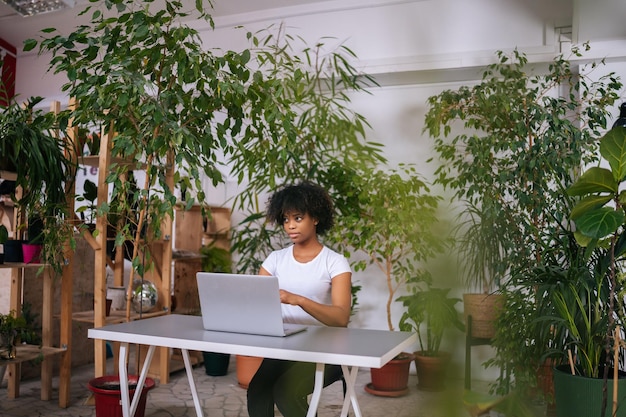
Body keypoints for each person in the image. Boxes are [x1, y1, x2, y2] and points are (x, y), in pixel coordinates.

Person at [246, 181, 353, 417]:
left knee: (286, 391)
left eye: (297, 218)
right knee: (258, 390)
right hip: (285, 347)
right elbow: (255, 303)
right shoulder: (274, 260)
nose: (290, 226)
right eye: (285, 219)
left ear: (315, 218)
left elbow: (341, 317)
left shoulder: (335, 262)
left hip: (326, 350)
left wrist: (298, 300)